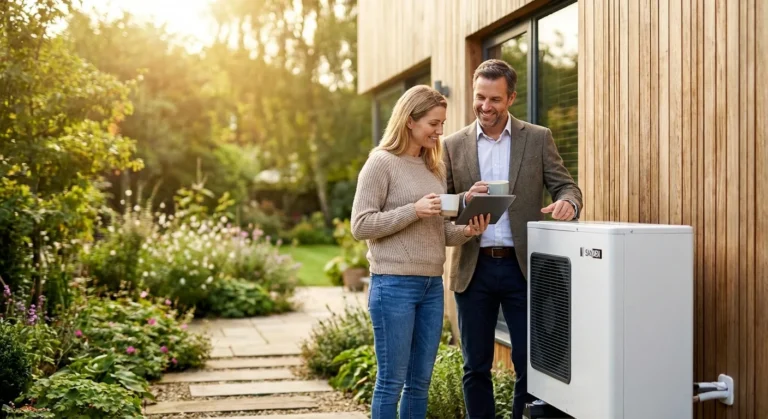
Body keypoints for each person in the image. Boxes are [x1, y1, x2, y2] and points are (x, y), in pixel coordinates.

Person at [442, 59, 583, 419]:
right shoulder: (453, 144)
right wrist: (463, 200)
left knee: (529, 363)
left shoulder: (537, 138)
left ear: (511, 98)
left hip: (525, 269)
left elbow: (565, 185)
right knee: (475, 366)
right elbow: (441, 203)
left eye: (494, 99)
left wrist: (568, 201)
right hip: (474, 269)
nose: (485, 107)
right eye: (479, 98)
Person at [351, 85, 490, 419]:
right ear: (409, 121)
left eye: (442, 123)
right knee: (391, 381)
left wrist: (468, 230)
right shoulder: (380, 162)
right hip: (393, 285)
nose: (440, 131)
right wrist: (413, 210)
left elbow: (439, 231)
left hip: (431, 286)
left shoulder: (434, 167)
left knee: (420, 382)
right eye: (433, 123)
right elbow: (361, 225)